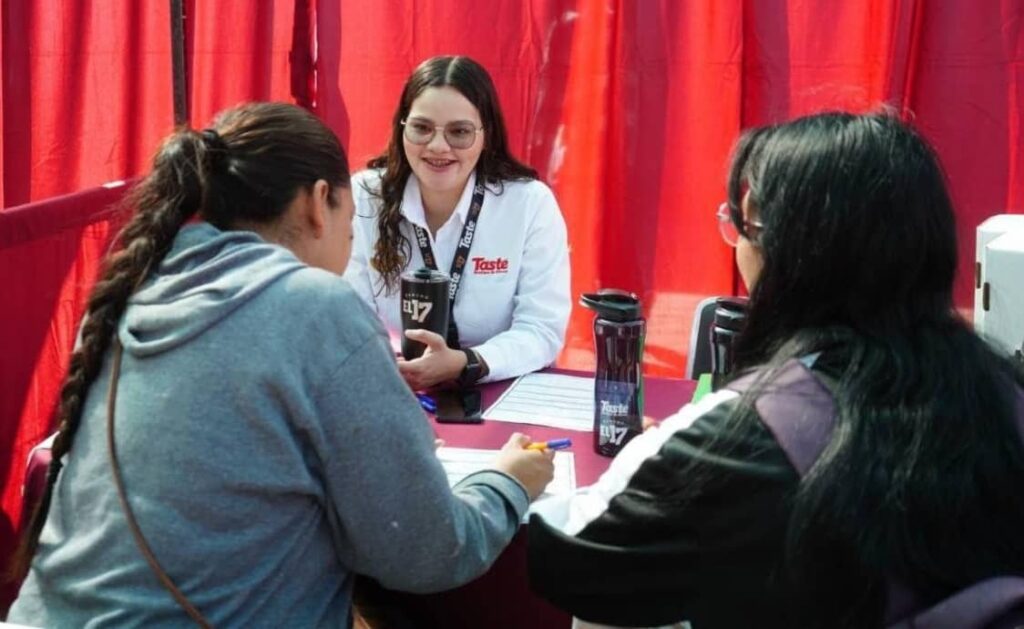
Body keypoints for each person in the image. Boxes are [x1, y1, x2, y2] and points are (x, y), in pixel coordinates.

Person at [8, 102, 554, 628]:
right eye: (349, 222)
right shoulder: (318, 306)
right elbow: (428, 551)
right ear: (319, 202)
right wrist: (506, 482)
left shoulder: (132, 291)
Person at [527, 112, 1024, 628]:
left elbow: (574, 563)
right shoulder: (1003, 390)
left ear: (781, 248)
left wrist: (650, 453)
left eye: (741, 224)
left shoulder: (757, 433)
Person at [344, 55, 571, 390]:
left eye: (459, 132)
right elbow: (349, 318)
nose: (438, 146)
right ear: (402, 128)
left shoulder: (529, 203)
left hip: (498, 386)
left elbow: (542, 329)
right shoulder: (365, 197)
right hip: (394, 382)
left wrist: (467, 363)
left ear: (486, 134)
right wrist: (388, 367)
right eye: (422, 128)